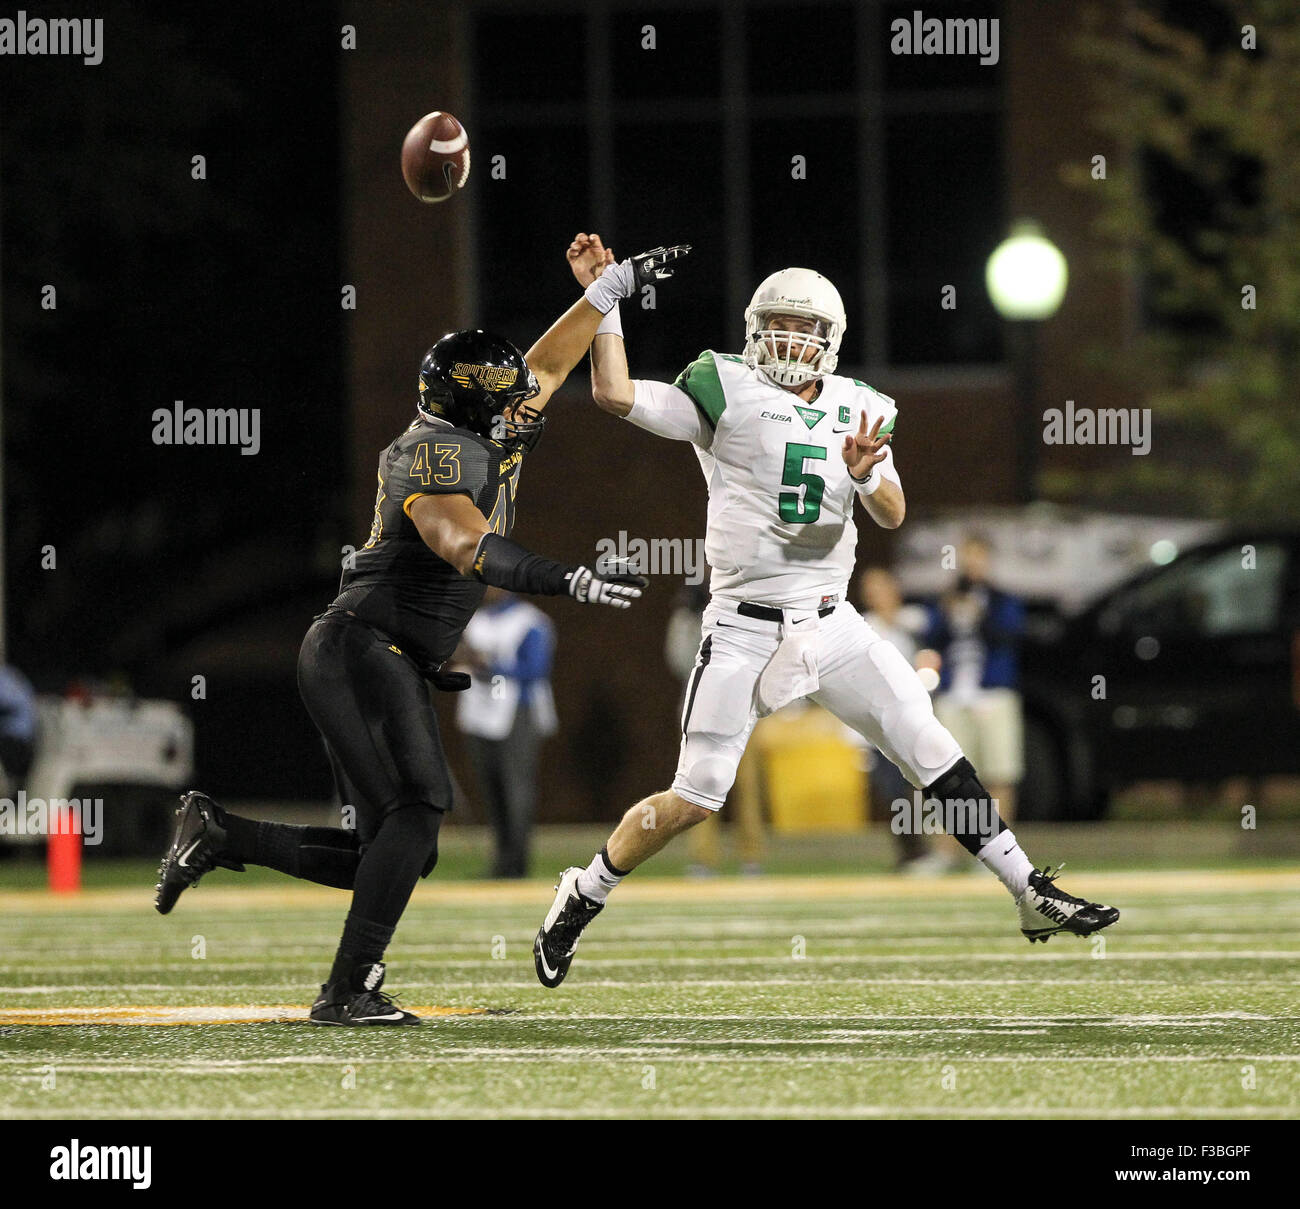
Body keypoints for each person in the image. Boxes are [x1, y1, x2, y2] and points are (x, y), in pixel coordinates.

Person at [534, 245, 1119, 988]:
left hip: (830, 620)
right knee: (696, 794)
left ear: (830, 337)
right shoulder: (725, 385)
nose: (786, 338)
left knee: (924, 737)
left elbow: (892, 509)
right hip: (742, 625)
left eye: (801, 327)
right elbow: (614, 394)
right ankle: (584, 891)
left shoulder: (862, 405)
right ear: (753, 329)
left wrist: (868, 471)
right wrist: (608, 301)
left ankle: (1027, 889)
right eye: (774, 324)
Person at [153, 239, 689, 1025]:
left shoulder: (475, 425)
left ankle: (220, 833)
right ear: (475, 405)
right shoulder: (432, 452)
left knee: (403, 847)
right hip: (362, 648)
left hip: (376, 653)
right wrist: (560, 575)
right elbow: (462, 541)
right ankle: (346, 989)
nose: (523, 402)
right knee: (420, 809)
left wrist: (611, 289)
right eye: (504, 397)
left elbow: (545, 366)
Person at [455, 587, 557, 878]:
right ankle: (501, 860)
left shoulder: (530, 621)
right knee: (491, 787)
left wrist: (490, 667)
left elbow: (536, 669)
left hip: (516, 712)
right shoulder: (473, 620)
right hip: (478, 711)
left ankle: (517, 864)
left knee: (517, 788)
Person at [925, 534, 1026, 821]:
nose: (973, 564)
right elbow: (931, 637)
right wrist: (948, 612)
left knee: (999, 773)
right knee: (948, 777)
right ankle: (947, 852)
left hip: (993, 695)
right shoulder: (945, 599)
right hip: (953, 695)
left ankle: (1002, 850)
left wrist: (982, 615)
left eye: (979, 556)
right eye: (968, 556)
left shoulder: (1002, 600)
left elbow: (1012, 634)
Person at [857, 567, 951, 875]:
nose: (875, 596)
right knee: (890, 790)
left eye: (880, 588)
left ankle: (931, 852)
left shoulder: (916, 621)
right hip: (878, 722)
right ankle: (910, 852)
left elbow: (937, 651)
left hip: (914, 719)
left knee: (921, 785)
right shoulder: (863, 626)